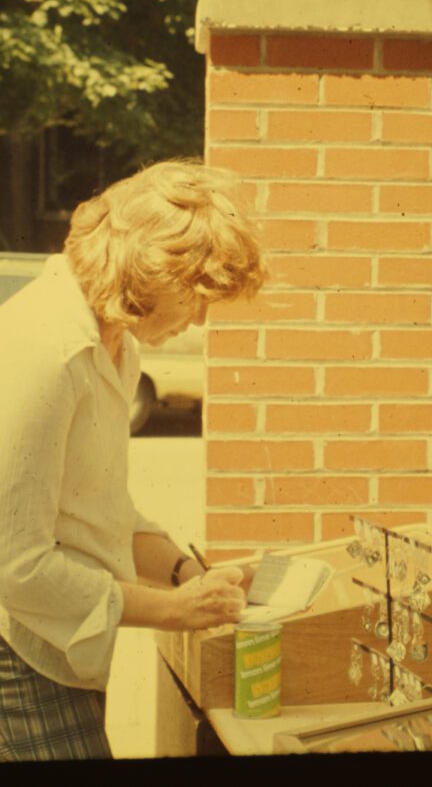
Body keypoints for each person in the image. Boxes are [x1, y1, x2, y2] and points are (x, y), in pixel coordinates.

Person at [0, 158, 269, 760]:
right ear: (152, 270)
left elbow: (101, 508)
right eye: (196, 297)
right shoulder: (48, 349)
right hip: (18, 652)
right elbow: (15, 567)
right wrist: (173, 611)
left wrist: (187, 575)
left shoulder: (114, 346)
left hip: (60, 645)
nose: (199, 318)